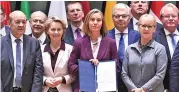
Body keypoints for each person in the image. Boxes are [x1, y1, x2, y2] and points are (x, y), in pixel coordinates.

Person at [68, 9, 120, 92]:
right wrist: (87, 68)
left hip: (105, 88)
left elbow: (117, 67)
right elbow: (71, 65)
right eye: (92, 20)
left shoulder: (111, 42)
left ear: (102, 23)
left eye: (98, 20)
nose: (95, 22)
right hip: (84, 87)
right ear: (87, 22)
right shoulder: (79, 42)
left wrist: (100, 67)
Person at [122, 14, 167, 92]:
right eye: (143, 26)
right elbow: (124, 74)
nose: (146, 29)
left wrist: (143, 89)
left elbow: (160, 75)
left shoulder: (160, 49)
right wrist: (135, 89)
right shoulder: (129, 49)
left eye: (150, 26)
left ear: (154, 28)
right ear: (138, 27)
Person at [1, 10, 43, 92]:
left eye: (24, 22)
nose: (21, 25)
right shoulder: (1, 43)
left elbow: (38, 71)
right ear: (9, 23)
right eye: (17, 22)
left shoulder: (34, 43)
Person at [107, 3, 140, 92]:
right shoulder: (105, 37)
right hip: (111, 83)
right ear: (112, 18)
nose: (120, 19)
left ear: (129, 18)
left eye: (124, 16)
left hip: (134, 83)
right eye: (117, 16)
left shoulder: (138, 36)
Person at [41, 16, 74, 92]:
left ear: (63, 31)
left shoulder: (71, 49)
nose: (56, 32)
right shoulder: (39, 49)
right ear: (47, 31)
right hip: (45, 89)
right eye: (53, 29)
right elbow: (34, 71)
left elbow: (75, 73)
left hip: (65, 89)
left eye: (59, 29)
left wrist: (63, 79)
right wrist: (45, 80)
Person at [154, 3, 179, 91]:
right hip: (164, 86)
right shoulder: (154, 37)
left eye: (174, 16)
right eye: (167, 16)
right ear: (161, 18)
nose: (171, 19)